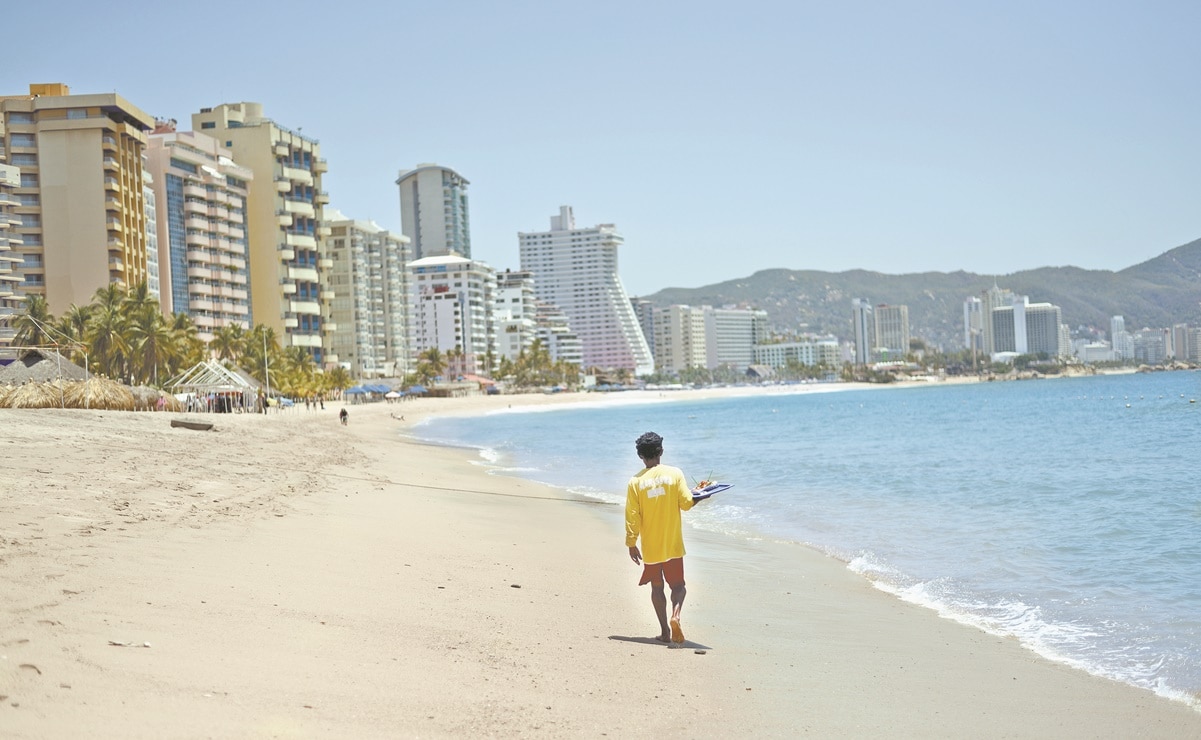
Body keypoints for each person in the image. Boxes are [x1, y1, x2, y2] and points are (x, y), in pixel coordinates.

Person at [624, 431, 712, 647]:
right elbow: (686, 503)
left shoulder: (635, 482)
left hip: (651, 546)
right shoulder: (674, 474)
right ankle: (676, 614)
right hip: (672, 543)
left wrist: (631, 543)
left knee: (656, 587)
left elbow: (632, 515)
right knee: (678, 586)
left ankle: (664, 631)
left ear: (640, 456)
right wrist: (703, 494)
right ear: (661, 451)